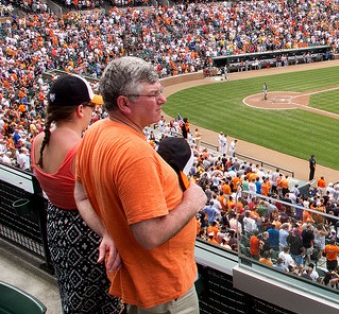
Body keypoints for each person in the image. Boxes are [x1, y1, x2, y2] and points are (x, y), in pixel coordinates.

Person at [75, 56, 207, 312]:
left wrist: (108, 231)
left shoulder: (95, 131)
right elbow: (149, 236)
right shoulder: (134, 153)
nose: (163, 100)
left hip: (141, 286)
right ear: (124, 103)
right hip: (164, 292)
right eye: (153, 94)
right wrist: (192, 202)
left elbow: (80, 196)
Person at [31, 74, 120, 314]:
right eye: (91, 107)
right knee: (99, 301)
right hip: (88, 234)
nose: (94, 113)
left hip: (57, 227)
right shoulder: (81, 151)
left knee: (72, 294)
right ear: (80, 110)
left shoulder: (38, 141)